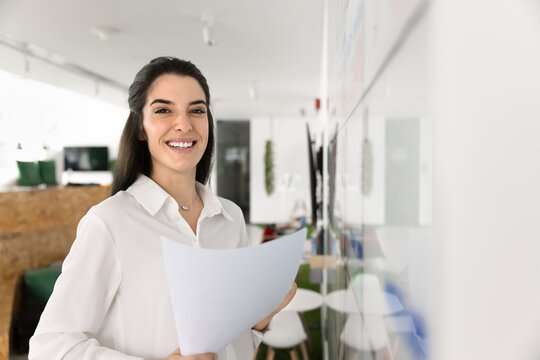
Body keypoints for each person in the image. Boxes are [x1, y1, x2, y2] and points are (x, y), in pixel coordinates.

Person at [29, 57, 296, 360]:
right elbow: (49, 347)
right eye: (163, 110)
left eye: (197, 110)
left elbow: (231, 346)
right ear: (140, 128)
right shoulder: (109, 222)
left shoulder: (230, 218)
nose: (184, 124)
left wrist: (258, 321)